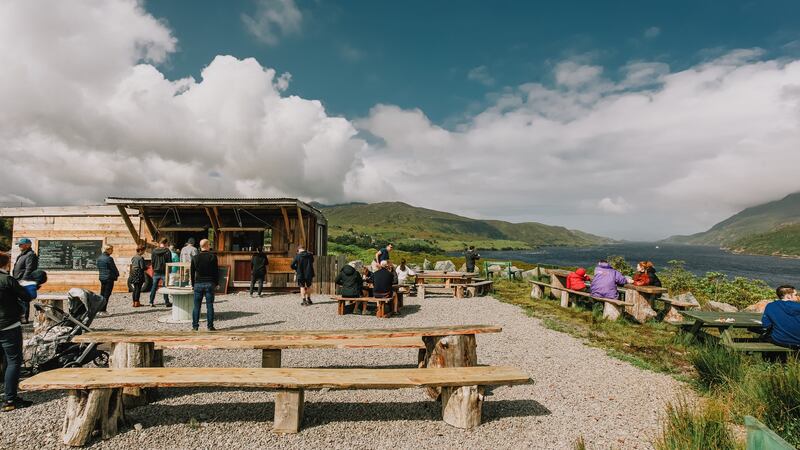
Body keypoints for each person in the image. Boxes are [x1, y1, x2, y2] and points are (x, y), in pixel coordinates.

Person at [0, 251, 34, 411]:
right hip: (8, 325)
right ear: (5, 264)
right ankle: (10, 400)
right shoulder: (7, 280)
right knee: (13, 361)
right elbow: (26, 297)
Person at [190, 239, 218, 331]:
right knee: (210, 305)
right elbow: (216, 271)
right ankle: (210, 326)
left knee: (197, 306)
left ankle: (195, 326)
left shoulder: (195, 257)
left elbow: (192, 272)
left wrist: (193, 284)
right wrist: (216, 283)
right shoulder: (213, 257)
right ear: (207, 245)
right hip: (210, 283)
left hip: (198, 283)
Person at [761, 285, 800, 349]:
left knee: (764, 337)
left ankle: (770, 358)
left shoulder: (770, 306)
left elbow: (766, 325)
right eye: (795, 295)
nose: (797, 296)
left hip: (781, 341)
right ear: (788, 296)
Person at [12, 238, 37, 324]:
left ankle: (24, 318)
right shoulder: (22, 255)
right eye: (19, 244)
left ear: (28, 245)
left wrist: (24, 280)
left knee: (24, 300)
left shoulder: (30, 255)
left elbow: (29, 269)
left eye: (21, 244)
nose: (19, 246)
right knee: (18, 300)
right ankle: (19, 317)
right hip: (17, 280)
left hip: (23, 281)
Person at [149, 238, 172, 307]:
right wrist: (169, 271)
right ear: (166, 243)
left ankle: (151, 301)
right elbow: (169, 262)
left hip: (156, 271)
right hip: (164, 271)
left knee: (154, 287)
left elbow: (152, 261)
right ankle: (166, 302)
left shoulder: (154, 251)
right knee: (165, 287)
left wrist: (154, 269)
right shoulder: (167, 251)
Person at [96, 244, 119, 314]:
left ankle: (99, 310)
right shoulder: (109, 258)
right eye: (111, 249)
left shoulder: (99, 258)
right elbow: (113, 268)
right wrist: (117, 274)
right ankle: (103, 310)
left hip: (102, 277)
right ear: (108, 250)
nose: (112, 251)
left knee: (102, 294)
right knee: (107, 294)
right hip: (109, 278)